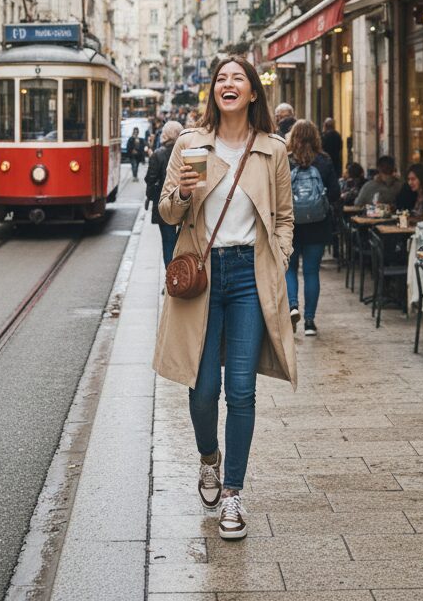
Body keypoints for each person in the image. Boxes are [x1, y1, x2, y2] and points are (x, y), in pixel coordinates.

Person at [154, 55, 295, 541]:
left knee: (241, 390)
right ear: (213, 92)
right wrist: (185, 194)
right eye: (221, 79)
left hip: (249, 277)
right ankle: (208, 458)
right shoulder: (192, 144)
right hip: (202, 276)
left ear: (253, 92)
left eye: (238, 78)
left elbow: (284, 216)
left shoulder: (272, 150)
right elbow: (168, 213)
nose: (227, 84)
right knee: (202, 386)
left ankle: (233, 494)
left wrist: (280, 256)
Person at [285, 120, 340, 337]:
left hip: (290, 224)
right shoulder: (324, 161)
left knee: (289, 268)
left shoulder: (286, 160)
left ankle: (292, 306)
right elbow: (335, 193)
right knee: (311, 272)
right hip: (318, 225)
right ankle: (309, 321)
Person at [145, 120, 183, 267]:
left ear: (166, 134)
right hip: (183, 201)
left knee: (168, 243)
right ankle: (182, 277)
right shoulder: (183, 150)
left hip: (164, 205)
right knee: (181, 243)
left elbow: (150, 179)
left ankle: (171, 281)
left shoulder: (158, 154)